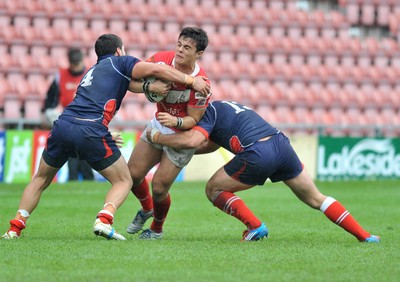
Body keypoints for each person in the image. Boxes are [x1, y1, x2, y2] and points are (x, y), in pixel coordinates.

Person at [1, 33, 210, 240]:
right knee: (124, 180)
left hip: (64, 126)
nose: (180, 49)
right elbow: (156, 69)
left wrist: (147, 89)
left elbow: (85, 106)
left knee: (40, 178)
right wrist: (191, 81)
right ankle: (104, 220)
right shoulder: (121, 62)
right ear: (119, 50)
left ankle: (15, 227)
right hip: (91, 131)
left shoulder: (91, 71)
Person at [145, 100, 381, 243]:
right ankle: (364, 235)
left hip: (258, 152)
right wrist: (177, 153)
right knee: (315, 198)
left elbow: (192, 140)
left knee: (213, 188)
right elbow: (209, 144)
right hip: (281, 144)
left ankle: (254, 226)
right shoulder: (225, 107)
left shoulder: (207, 112)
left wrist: (159, 139)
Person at [125, 27, 211, 239]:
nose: (180, 50)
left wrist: (177, 120)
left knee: (160, 188)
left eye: (187, 48)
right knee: (132, 175)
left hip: (182, 136)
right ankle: (147, 208)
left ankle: (156, 229)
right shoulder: (160, 60)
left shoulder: (202, 84)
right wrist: (149, 86)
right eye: (179, 45)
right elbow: (129, 82)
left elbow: (194, 119)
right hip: (158, 125)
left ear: (199, 54)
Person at [43, 47, 94, 181]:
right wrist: (49, 113)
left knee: (79, 151)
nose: (76, 68)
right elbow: (51, 99)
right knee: (75, 150)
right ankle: (80, 178)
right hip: (69, 119)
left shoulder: (91, 74)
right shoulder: (60, 76)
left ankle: (79, 178)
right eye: (74, 64)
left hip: (87, 119)